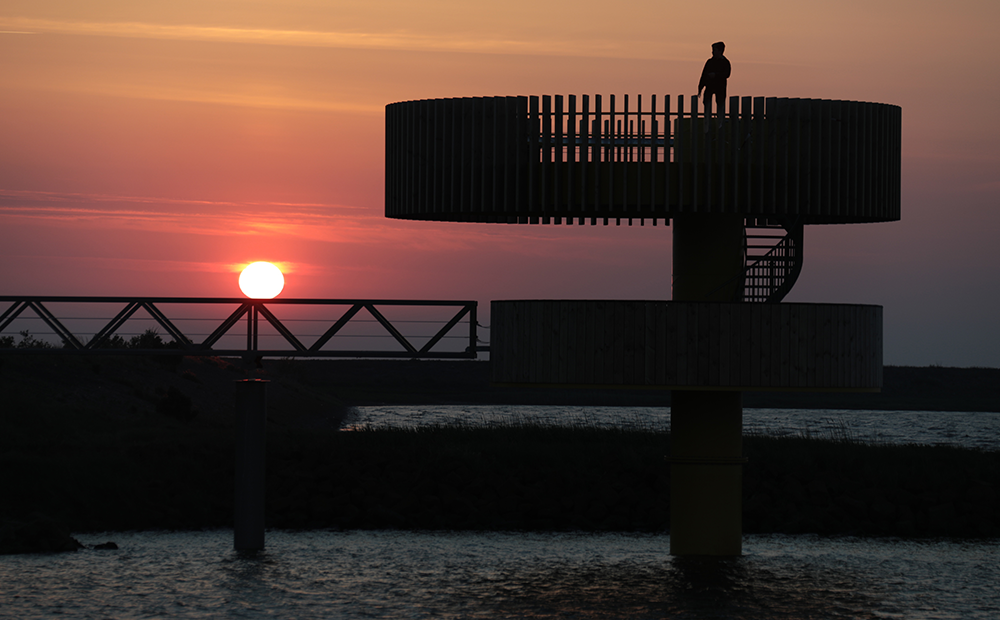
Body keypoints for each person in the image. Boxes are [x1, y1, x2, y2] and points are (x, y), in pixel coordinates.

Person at [698, 42, 731, 118]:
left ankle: (720, 123)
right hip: (709, 86)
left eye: (714, 50)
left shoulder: (725, 62)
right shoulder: (710, 62)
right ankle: (707, 120)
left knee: (720, 104)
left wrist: (716, 75)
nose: (712, 52)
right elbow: (704, 75)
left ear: (720, 51)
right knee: (707, 103)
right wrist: (700, 87)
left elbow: (727, 74)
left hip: (720, 87)